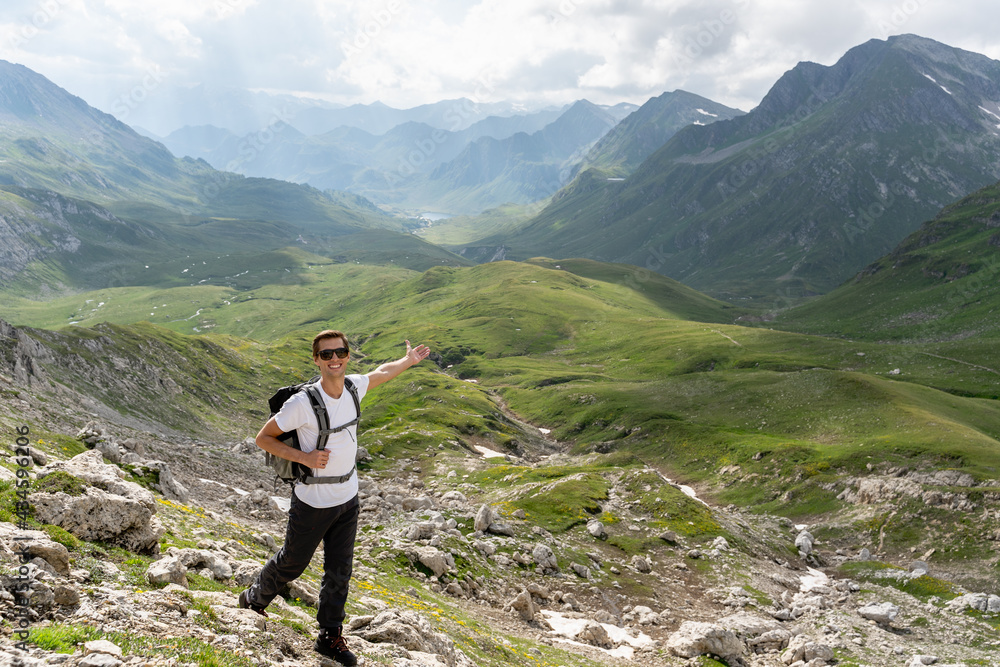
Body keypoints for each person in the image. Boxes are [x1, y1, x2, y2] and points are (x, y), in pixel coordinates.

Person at [239, 329, 430, 666]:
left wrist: (408, 360)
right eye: (326, 355)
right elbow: (263, 438)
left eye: (339, 352)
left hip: (348, 497)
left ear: (347, 355)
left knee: (339, 570)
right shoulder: (302, 403)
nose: (334, 359)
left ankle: (329, 635)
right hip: (312, 499)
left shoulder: (354, 386)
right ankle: (254, 598)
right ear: (316, 360)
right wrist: (305, 459)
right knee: (293, 563)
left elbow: (381, 373)